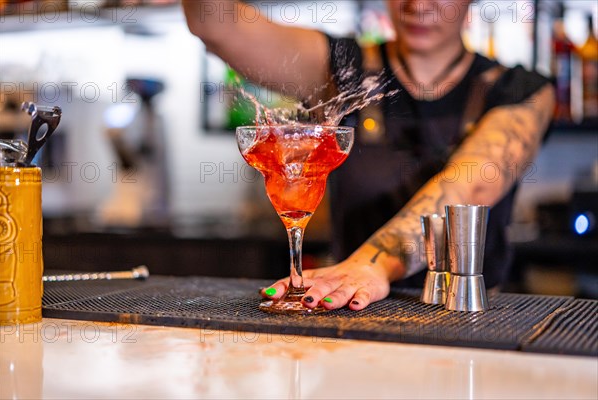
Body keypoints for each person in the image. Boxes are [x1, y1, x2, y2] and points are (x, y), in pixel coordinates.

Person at [182, 0, 555, 311]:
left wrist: (369, 266)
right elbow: (216, 25)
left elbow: (467, 189)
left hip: (471, 320)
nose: (418, 5)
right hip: (352, 314)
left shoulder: (522, 90)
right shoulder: (341, 68)